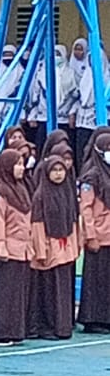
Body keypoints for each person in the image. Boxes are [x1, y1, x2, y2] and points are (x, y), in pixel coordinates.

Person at [0, 149, 31, 346]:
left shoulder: (21, 189)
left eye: (22, 164)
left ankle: (14, 330)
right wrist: (1, 244)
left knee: (16, 293)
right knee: (2, 293)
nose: (21, 168)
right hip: (5, 249)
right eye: (17, 164)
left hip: (21, 249)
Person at [30, 152, 79, 339]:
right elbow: (37, 225)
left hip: (65, 249)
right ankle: (46, 327)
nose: (58, 174)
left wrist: (74, 247)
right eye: (54, 170)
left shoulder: (67, 194)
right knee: (49, 290)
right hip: (49, 248)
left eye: (61, 170)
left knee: (62, 290)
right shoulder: (40, 196)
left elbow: (72, 221)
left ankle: (62, 327)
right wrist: (41, 251)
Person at [78, 128, 110, 332]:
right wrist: (90, 235)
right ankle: (92, 319)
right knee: (95, 280)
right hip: (98, 235)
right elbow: (86, 208)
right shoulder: (92, 176)